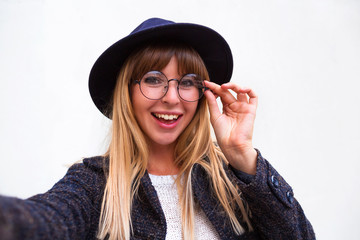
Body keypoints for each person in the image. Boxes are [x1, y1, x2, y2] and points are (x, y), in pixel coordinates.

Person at [0, 18, 315, 240]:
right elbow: (41, 222)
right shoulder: (95, 185)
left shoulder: (234, 180)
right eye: (153, 79)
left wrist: (243, 157)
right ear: (127, 92)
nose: (172, 98)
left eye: (188, 83)